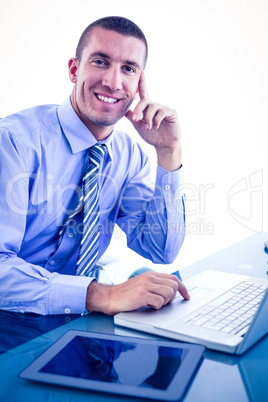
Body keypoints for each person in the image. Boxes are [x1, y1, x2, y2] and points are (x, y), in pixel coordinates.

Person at [0, 16, 189, 316]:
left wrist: (168, 152)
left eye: (128, 68)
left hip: (77, 325)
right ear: (74, 70)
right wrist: (101, 296)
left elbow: (159, 250)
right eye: (100, 62)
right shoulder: (12, 143)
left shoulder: (130, 157)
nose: (113, 82)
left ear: (139, 80)